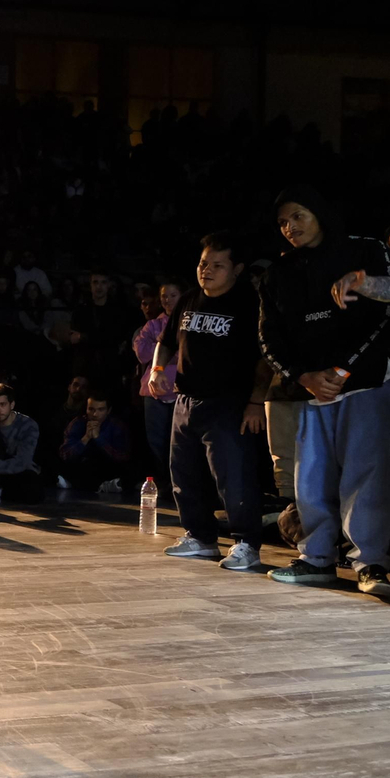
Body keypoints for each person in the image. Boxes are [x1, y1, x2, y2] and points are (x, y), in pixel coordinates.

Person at [259, 186, 390, 593]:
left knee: (366, 475)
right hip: (311, 390)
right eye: (283, 221)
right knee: (310, 478)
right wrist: (303, 376)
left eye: (298, 216)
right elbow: (269, 338)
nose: (290, 227)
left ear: (319, 212)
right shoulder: (278, 273)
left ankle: (369, 564)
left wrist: (363, 282)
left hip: (365, 384)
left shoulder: (365, 250)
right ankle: (315, 558)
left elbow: (387, 311)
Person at [155, 232, 271, 572]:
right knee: (184, 473)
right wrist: (157, 368)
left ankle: (247, 542)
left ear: (236, 269)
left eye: (217, 265)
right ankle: (200, 536)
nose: (206, 270)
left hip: (229, 402)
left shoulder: (250, 303)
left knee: (233, 476)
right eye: (203, 263)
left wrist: (254, 403)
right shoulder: (189, 299)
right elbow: (165, 340)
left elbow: (264, 358)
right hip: (186, 399)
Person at [135, 280, 182, 483]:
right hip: (154, 392)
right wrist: (165, 352)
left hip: (180, 390)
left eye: (173, 295)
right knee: (156, 442)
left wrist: (163, 350)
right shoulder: (153, 324)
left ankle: (179, 482)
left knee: (179, 442)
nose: (168, 300)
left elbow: (185, 354)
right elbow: (142, 353)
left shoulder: (187, 322)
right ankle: (162, 483)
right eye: (164, 296)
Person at [56, 392, 131, 493]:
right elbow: (65, 454)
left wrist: (98, 438)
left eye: (101, 410)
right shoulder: (77, 423)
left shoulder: (116, 426)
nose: (95, 414)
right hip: (81, 466)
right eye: (91, 409)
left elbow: (122, 457)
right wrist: (86, 438)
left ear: (108, 411)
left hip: (108, 467)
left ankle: (98, 485)